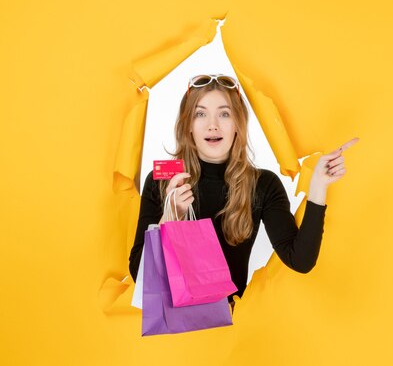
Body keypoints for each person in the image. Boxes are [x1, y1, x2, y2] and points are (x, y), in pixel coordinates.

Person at [129, 74, 358, 305]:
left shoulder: (263, 184)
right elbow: (139, 276)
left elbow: (300, 260)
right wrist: (170, 220)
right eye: (200, 113)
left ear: (238, 124)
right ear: (188, 124)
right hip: (175, 333)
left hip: (232, 329)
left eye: (224, 113)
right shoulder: (163, 180)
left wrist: (318, 185)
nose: (213, 124)